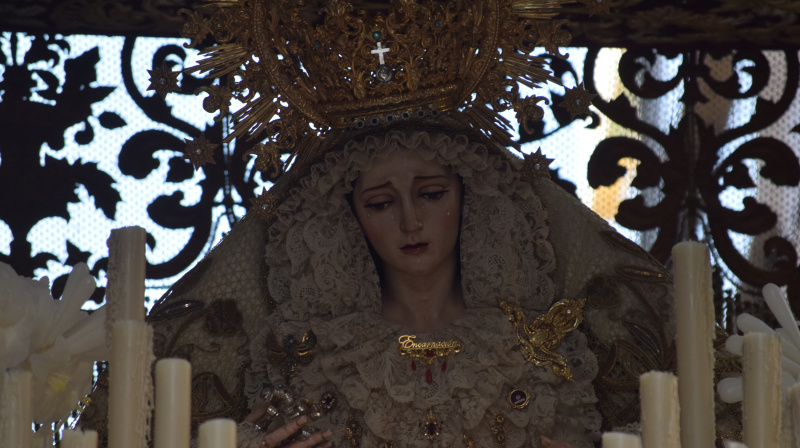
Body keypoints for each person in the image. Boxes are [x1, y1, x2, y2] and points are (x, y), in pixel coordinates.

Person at [79, 1, 677, 446]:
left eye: (433, 193)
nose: (411, 220)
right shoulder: (305, 362)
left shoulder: (539, 356)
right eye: (381, 203)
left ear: (471, 200)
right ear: (347, 222)